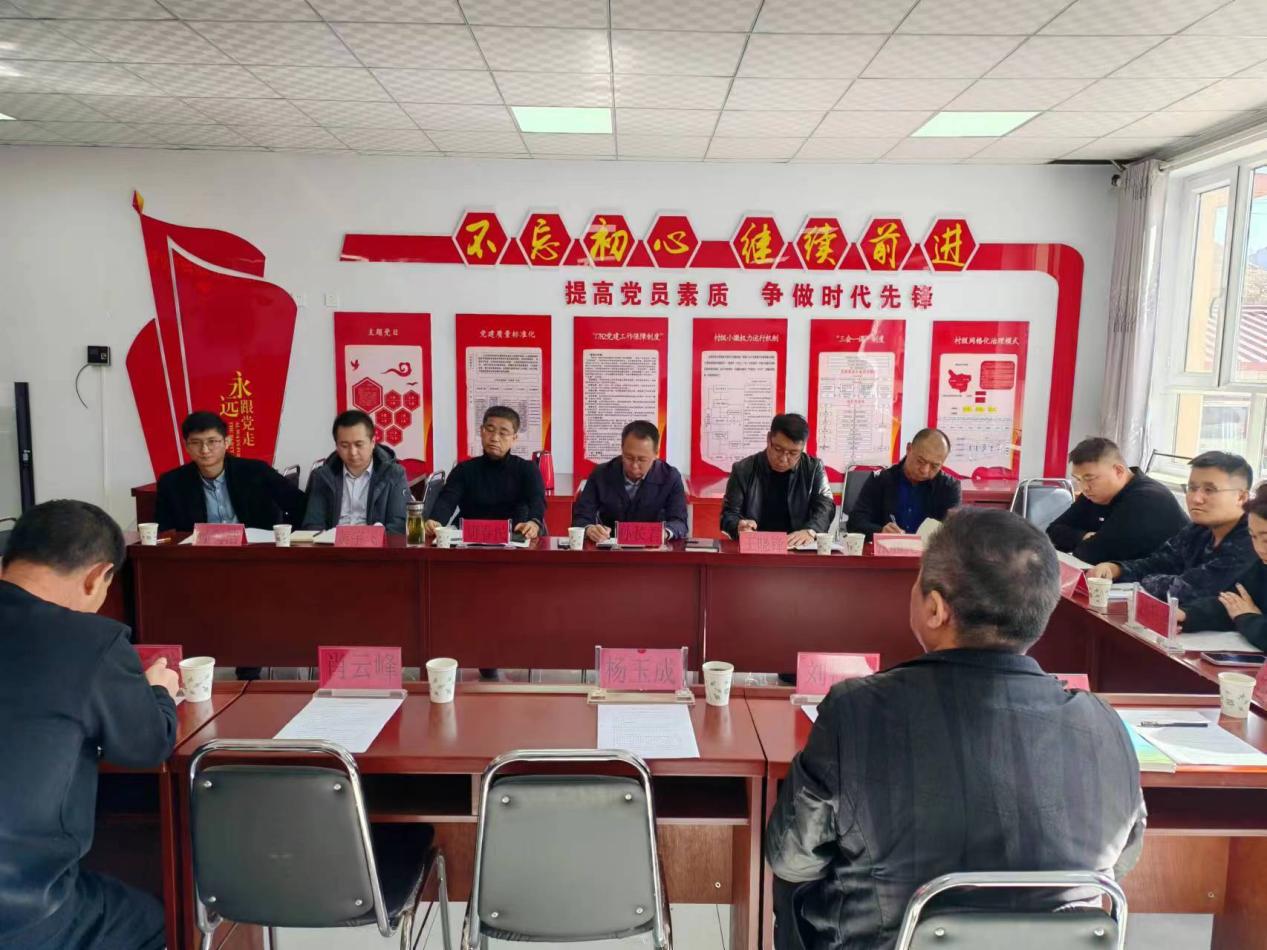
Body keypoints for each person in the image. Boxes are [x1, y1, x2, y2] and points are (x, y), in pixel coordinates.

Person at [766, 508, 1145, 950]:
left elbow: (792, 857)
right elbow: (1121, 859)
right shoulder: (1102, 723)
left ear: (935, 608)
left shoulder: (856, 711)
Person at [0, 500, 179, 950]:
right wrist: (158, 691)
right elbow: (146, 745)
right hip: (21, 911)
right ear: (98, 577)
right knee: (161, 925)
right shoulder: (90, 641)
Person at [1088, 451, 1254, 603]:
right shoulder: (1199, 529)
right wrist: (1116, 569)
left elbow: (1186, 590)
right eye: (1192, 488)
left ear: (1241, 497)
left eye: (1209, 490)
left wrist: (1147, 580)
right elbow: (1159, 563)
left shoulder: (1254, 539)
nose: (1196, 498)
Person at [155, 410, 305, 532]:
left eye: (212, 441)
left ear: (227, 442)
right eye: (196, 443)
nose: (205, 450)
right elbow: (163, 531)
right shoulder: (172, 483)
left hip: (255, 552)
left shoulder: (257, 472)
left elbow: (301, 506)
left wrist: (288, 539)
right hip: (201, 555)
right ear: (186, 446)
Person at [1047, 437, 1188, 563]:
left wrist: (1086, 542)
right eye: (1078, 479)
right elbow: (1051, 533)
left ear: (1119, 471)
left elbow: (1093, 554)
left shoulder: (1146, 498)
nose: (1084, 487)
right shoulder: (1094, 494)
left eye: (1090, 478)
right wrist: (1084, 537)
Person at [426, 405, 547, 539]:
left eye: (503, 433)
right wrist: (435, 520)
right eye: (490, 430)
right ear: (481, 431)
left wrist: (534, 522)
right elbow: (447, 501)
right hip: (470, 537)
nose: (494, 438)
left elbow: (537, 500)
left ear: (514, 438)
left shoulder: (527, 469)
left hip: (515, 536)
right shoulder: (464, 470)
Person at [721, 413, 835, 549]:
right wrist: (738, 526)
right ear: (769, 438)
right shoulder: (743, 469)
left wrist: (811, 530)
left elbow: (826, 506)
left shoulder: (813, 468)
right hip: (755, 548)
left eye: (793, 453)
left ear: (803, 447)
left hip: (797, 548)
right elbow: (729, 514)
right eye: (778, 449)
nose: (783, 459)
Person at [1179, 483, 1267, 650]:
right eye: (1253, 537)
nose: (1260, 549)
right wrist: (1186, 614)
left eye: (1266, 540)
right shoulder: (1261, 566)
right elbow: (1232, 602)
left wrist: (1248, 618)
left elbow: (1242, 613)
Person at [571, 421, 688, 543]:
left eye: (642, 459)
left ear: (656, 454)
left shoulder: (670, 478)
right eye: (628, 458)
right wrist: (590, 529)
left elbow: (679, 522)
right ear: (622, 449)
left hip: (654, 548)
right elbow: (581, 518)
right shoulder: (601, 474)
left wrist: (664, 533)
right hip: (610, 548)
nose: (634, 465)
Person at [303, 409, 412, 535]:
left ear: (372, 443)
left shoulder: (394, 474)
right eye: (344, 446)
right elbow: (313, 525)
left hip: (376, 545)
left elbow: (399, 527)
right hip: (333, 544)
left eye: (359, 445)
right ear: (336, 446)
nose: (353, 452)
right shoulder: (323, 477)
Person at [846, 428, 961, 538]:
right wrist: (880, 532)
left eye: (934, 466)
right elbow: (854, 523)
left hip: (928, 551)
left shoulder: (948, 488)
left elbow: (953, 533)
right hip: (887, 549)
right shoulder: (881, 479)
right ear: (909, 449)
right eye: (920, 461)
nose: (925, 470)